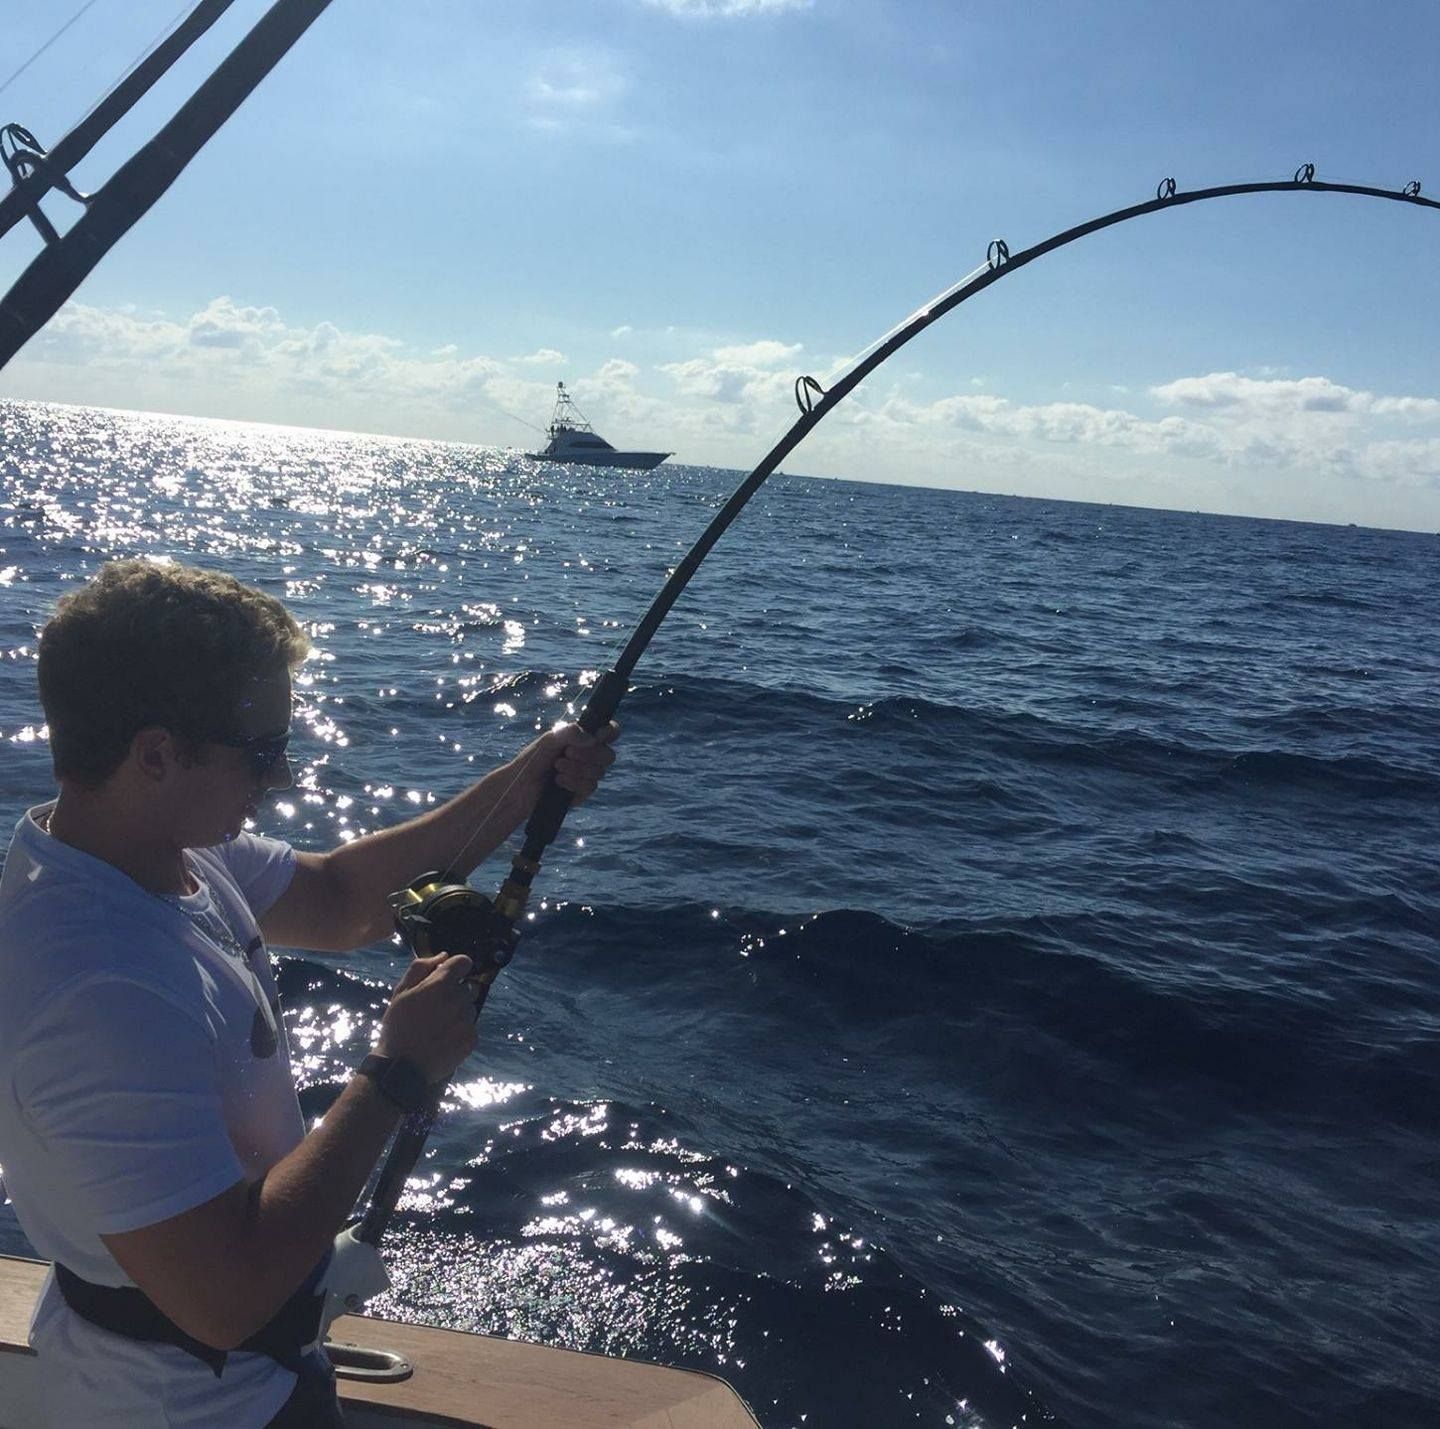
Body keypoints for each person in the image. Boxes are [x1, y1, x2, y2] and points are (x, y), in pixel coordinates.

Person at [0, 558, 618, 1427]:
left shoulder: (157, 848)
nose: (283, 778)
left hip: (254, 1379)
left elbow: (341, 897)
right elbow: (225, 1297)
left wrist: (527, 783)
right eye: (262, 754)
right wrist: (395, 1073)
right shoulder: (96, 986)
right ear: (156, 754)